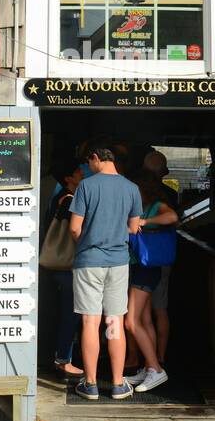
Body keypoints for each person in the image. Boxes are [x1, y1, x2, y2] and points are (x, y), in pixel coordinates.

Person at [69, 147, 143, 400]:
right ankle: (118, 383)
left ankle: (90, 384)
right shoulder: (132, 188)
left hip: (89, 261)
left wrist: (88, 240)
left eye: (89, 162)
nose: (88, 167)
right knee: (114, 321)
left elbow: (74, 228)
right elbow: (134, 228)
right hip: (119, 262)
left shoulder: (86, 187)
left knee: (90, 322)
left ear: (97, 159)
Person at [124, 170, 178, 393]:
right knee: (145, 320)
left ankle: (156, 369)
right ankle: (149, 366)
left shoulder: (156, 206)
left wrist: (145, 221)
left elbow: (172, 217)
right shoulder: (137, 207)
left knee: (131, 321)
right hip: (140, 268)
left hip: (147, 269)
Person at [47, 159, 86, 378]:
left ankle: (63, 357)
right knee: (70, 313)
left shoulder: (60, 197)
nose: (83, 174)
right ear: (68, 179)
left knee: (67, 312)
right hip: (66, 266)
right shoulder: (70, 200)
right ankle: (63, 360)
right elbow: (76, 231)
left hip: (61, 268)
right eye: (79, 172)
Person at [142, 149, 179, 367]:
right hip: (164, 256)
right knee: (160, 308)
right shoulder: (170, 195)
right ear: (163, 171)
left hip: (145, 257)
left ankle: (147, 360)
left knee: (142, 313)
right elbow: (176, 219)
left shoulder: (143, 196)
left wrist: (144, 223)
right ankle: (161, 356)